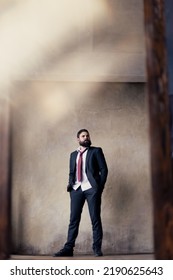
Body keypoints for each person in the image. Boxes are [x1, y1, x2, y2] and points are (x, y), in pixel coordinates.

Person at [53, 129, 108, 257]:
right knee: (73, 220)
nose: (86, 137)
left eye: (87, 135)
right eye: (83, 136)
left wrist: (99, 187)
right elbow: (71, 172)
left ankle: (97, 248)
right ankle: (68, 248)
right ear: (78, 139)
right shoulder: (73, 155)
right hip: (76, 189)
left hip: (91, 189)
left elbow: (104, 169)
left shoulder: (96, 151)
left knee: (95, 219)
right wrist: (71, 185)